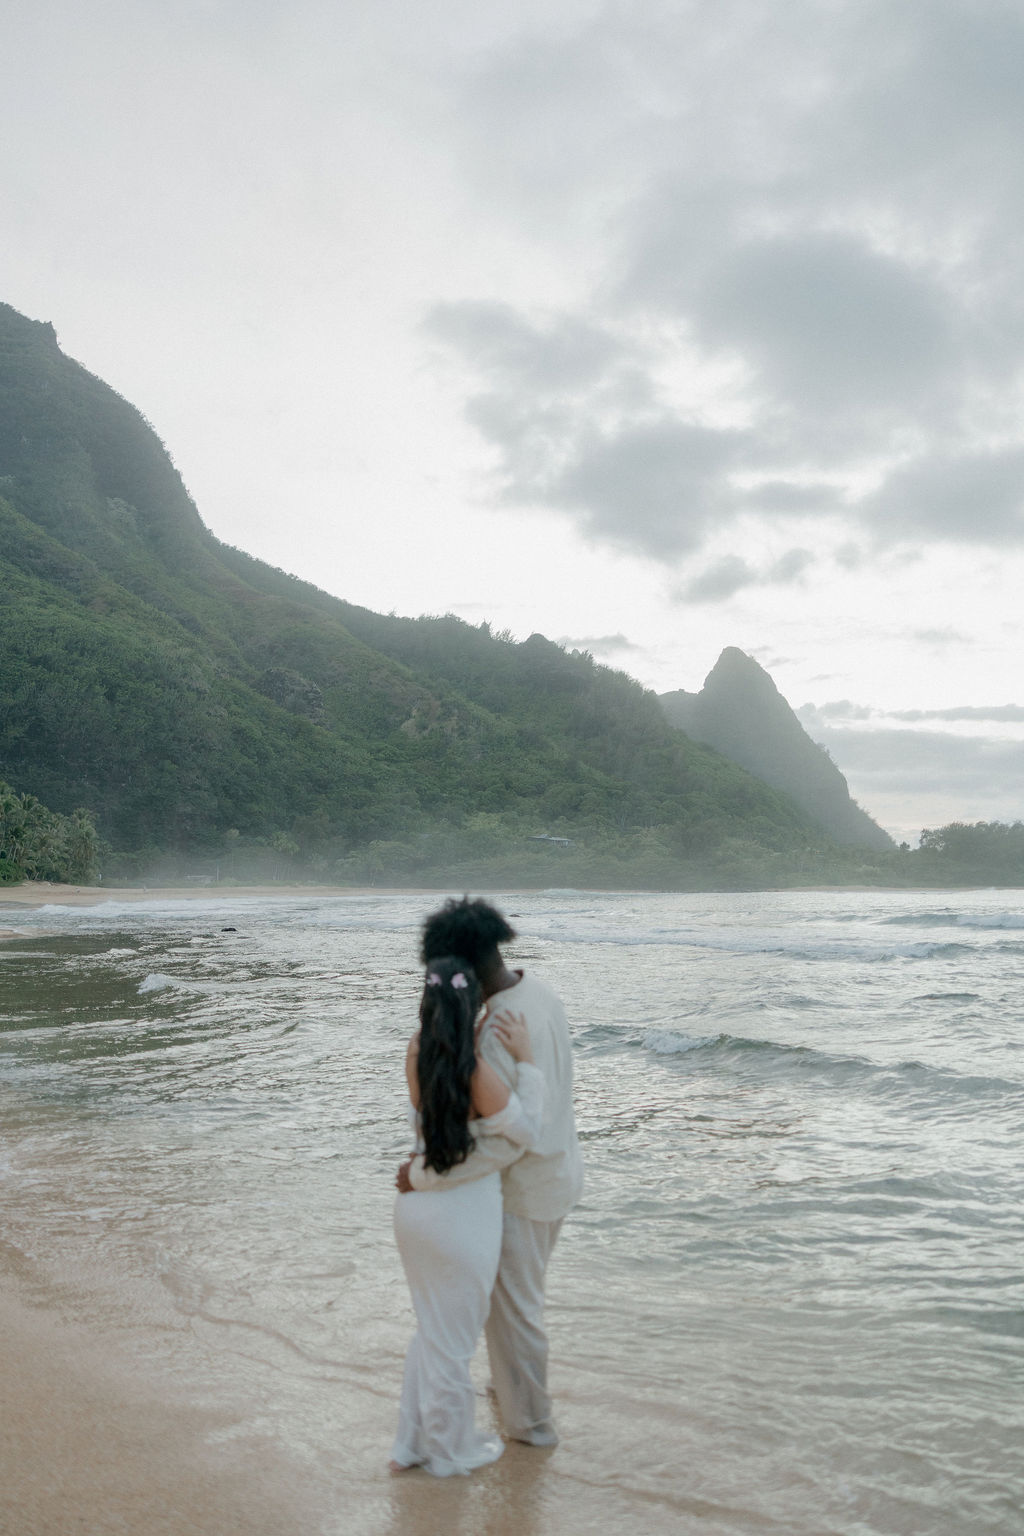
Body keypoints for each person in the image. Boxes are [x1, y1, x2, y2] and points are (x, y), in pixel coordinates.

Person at [397, 897, 583, 1450]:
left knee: (514, 1316)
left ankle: (531, 1429)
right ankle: (510, 1398)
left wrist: (423, 1177)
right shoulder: (537, 992)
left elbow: (503, 1144)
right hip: (559, 1174)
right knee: (520, 1307)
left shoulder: (498, 1027)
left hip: (523, 1187)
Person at [390, 954, 545, 1477]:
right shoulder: (475, 1067)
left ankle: (411, 1445)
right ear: (471, 1004)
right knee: (452, 1344)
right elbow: (526, 1133)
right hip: (462, 1213)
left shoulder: (416, 1050)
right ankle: (450, 1454)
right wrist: (526, 1061)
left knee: (431, 1332)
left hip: (414, 1211)